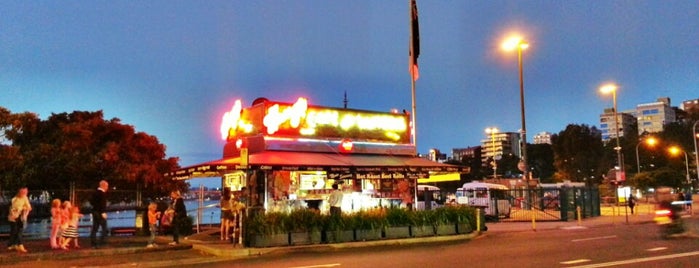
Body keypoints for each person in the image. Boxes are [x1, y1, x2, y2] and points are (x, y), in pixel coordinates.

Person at [7, 187, 32, 253]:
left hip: (21, 217)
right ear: (20, 192)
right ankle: (14, 244)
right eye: (23, 192)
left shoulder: (25, 198)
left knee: (20, 231)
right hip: (13, 217)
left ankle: (18, 244)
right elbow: (13, 208)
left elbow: (29, 207)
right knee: (14, 231)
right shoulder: (14, 199)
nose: (25, 193)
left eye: (26, 192)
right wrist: (21, 208)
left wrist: (24, 208)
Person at [90, 180, 109, 248]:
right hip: (100, 213)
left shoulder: (94, 193)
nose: (107, 188)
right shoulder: (102, 194)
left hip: (94, 211)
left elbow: (91, 202)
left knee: (95, 228)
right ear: (103, 186)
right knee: (105, 228)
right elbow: (102, 204)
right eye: (107, 186)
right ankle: (101, 243)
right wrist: (103, 212)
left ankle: (93, 243)